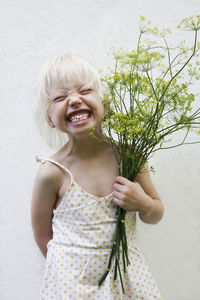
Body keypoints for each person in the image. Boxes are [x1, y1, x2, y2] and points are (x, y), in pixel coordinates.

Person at [31, 53, 164, 300]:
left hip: (126, 280)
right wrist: (65, 271)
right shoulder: (52, 172)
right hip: (73, 285)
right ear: (50, 119)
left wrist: (142, 203)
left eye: (85, 90)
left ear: (105, 103)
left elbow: (156, 211)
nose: (74, 100)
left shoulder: (130, 158)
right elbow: (43, 237)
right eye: (60, 97)